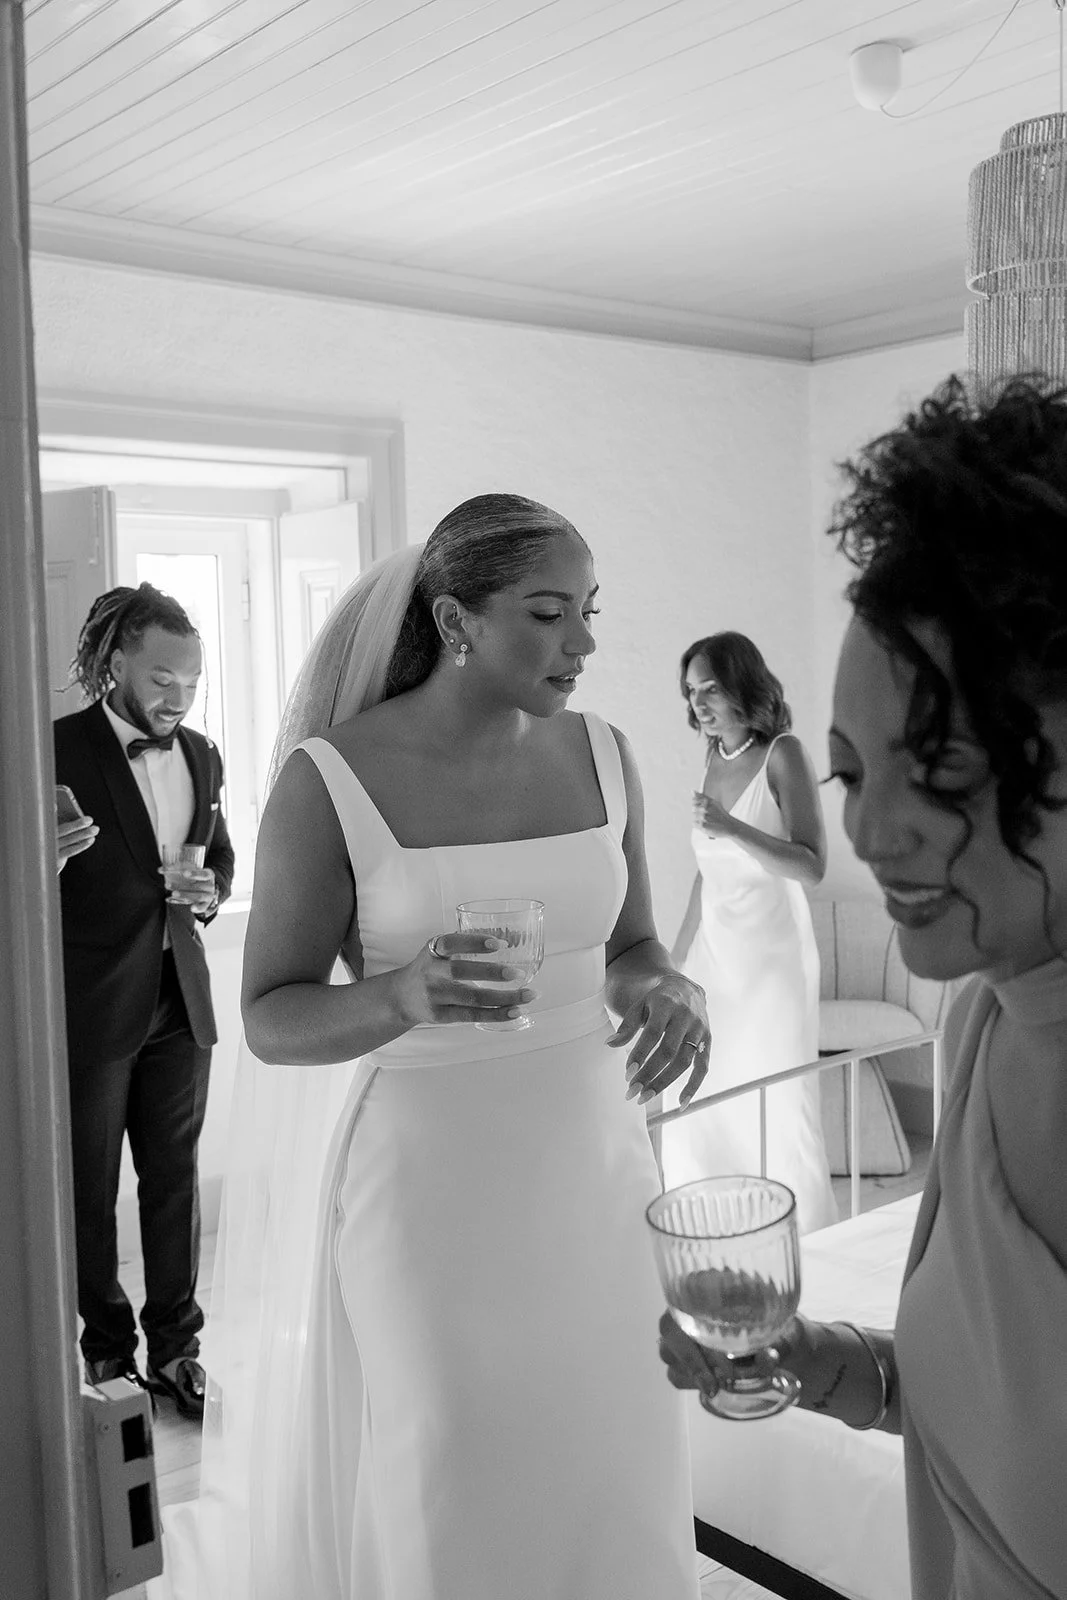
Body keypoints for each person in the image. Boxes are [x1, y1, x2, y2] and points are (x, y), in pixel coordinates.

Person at [157, 494, 709, 1600]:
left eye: (587, 611)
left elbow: (635, 942)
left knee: (613, 1418)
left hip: (591, 1157)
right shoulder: (331, 779)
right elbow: (270, 1014)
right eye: (548, 614)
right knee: (452, 1438)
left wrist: (667, 986)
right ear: (455, 622)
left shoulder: (605, 754)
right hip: (425, 1176)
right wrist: (403, 992)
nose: (585, 645)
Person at [659, 374, 1067, 1600]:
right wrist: (823, 1360)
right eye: (848, 773)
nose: (876, 831)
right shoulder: (985, 1014)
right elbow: (998, 1413)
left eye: (935, 762)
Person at [54, 583, 234, 1419]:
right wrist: (43, 858)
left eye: (190, 682)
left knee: (173, 1182)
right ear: (118, 662)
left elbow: (219, 861)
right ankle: (106, 1352)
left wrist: (206, 892)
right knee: (89, 1190)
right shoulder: (51, 749)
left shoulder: (201, 753)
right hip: (90, 1006)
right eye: (163, 678)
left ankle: (177, 1351)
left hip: (179, 1001)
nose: (177, 698)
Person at [658, 632, 837, 1234]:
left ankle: (804, 1238)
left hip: (773, 960)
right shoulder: (712, 759)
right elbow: (706, 877)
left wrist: (731, 826)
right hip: (716, 956)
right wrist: (675, 960)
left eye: (710, 688)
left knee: (777, 1099)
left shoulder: (784, 753)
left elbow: (810, 865)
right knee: (702, 1096)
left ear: (742, 685)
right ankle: (715, 1230)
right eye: (691, 692)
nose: (700, 703)